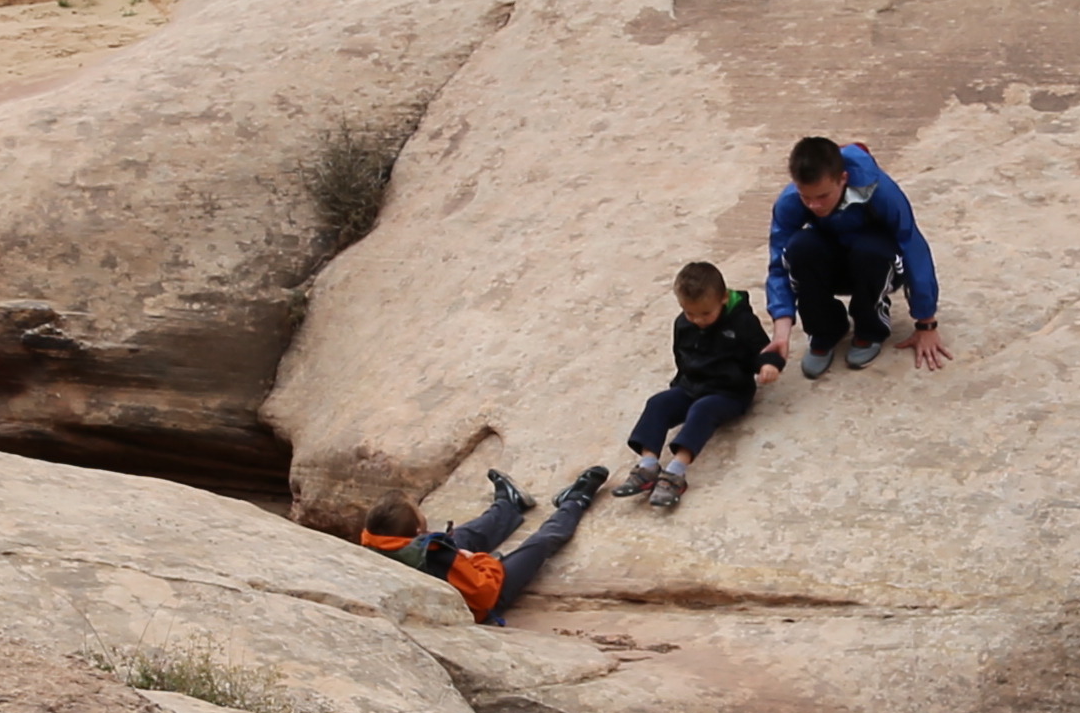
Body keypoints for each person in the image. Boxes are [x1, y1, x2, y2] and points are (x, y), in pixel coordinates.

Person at [765, 133, 947, 380]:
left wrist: (926, 323)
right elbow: (779, 267)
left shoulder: (882, 192)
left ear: (843, 179)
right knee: (799, 248)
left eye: (822, 196)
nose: (814, 205)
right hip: (833, 264)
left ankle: (870, 328)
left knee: (870, 250)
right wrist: (781, 335)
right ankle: (825, 330)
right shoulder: (789, 202)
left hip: (876, 265)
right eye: (806, 197)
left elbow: (913, 247)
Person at [348, 464, 610, 623]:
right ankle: (575, 501)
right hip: (480, 601)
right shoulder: (434, 555)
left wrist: (455, 550)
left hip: (443, 571)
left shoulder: (373, 540)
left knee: (464, 534)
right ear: (417, 530)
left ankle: (508, 504)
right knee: (541, 543)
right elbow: (484, 594)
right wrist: (480, 560)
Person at [626, 259, 780, 510]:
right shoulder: (683, 324)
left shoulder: (741, 322)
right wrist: (679, 386)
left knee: (702, 410)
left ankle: (676, 471)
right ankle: (648, 465)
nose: (698, 320)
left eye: (705, 314)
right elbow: (681, 356)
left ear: (722, 298)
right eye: (690, 313)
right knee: (658, 403)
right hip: (691, 386)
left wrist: (769, 364)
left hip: (728, 392)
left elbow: (763, 349)